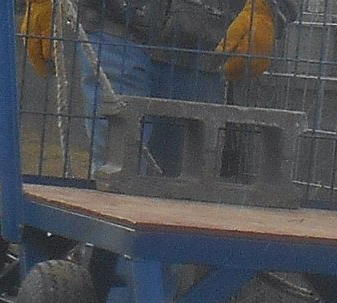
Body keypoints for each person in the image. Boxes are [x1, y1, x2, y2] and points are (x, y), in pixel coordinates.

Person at [19, 0, 299, 175]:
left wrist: (269, 9)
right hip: (114, 25)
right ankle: (110, 262)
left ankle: (154, 268)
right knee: (120, 168)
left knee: (181, 183)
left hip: (203, 41)